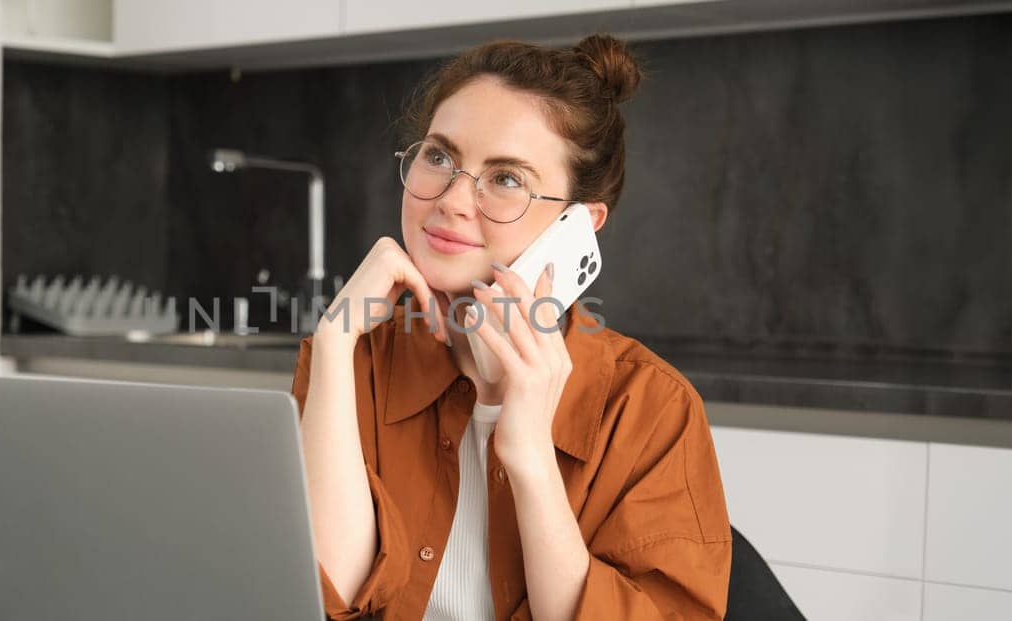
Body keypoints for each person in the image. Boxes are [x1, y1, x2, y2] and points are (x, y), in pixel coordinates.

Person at [293, 33, 732, 621]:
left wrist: (528, 456)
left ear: (580, 223)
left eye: (505, 179)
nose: (450, 200)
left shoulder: (652, 410)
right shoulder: (351, 361)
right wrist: (335, 337)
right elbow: (323, 598)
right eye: (440, 156)